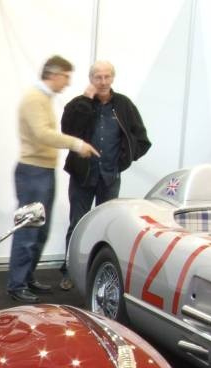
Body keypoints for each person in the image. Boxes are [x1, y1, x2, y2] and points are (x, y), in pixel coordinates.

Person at [8, 56, 99, 303]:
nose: (67, 83)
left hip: (42, 171)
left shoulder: (43, 99)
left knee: (40, 230)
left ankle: (26, 277)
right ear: (55, 74)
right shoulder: (34, 99)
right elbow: (42, 134)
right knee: (29, 229)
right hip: (32, 171)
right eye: (66, 77)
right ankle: (17, 283)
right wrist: (76, 144)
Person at [58, 60, 150, 290]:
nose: (102, 81)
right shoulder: (77, 105)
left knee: (106, 227)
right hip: (82, 175)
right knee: (77, 224)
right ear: (91, 79)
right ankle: (69, 271)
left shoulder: (124, 105)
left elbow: (142, 139)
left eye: (107, 76)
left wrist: (124, 160)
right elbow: (68, 131)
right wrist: (85, 100)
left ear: (113, 78)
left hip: (109, 177)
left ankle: (99, 272)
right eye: (98, 77)